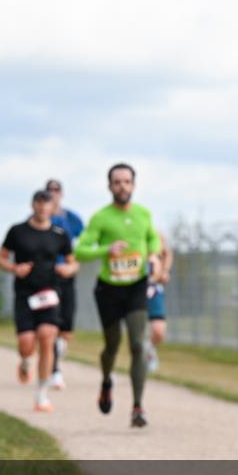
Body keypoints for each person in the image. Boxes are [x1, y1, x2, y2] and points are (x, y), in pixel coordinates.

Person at [74, 162, 161, 428]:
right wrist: (105, 250)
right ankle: (107, 380)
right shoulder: (101, 217)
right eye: (117, 182)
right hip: (109, 289)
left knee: (137, 344)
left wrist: (154, 256)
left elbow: (152, 240)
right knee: (112, 345)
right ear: (109, 186)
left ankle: (137, 407)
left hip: (136, 286)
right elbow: (80, 251)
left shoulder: (144, 214)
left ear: (133, 185)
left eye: (126, 181)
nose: (122, 186)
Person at [0, 190, 78, 412]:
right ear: (33, 205)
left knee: (47, 337)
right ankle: (24, 361)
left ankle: (41, 394)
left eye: (47, 204)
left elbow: (73, 263)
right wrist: (14, 268)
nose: (42, 208)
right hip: (24, 294)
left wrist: (67, 269)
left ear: (52, 208)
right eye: (39, 204)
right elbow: (1, 258)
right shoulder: (17, 231)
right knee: (26, 343)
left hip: (49, 292)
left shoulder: (60, 234)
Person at [44, 178, 85, 390]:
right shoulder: (40, 220)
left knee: (66, 327)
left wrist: (73, 265)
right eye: (49, 190)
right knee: (51, 324)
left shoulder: (72, 219)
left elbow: (85, 243)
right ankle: (55, 370)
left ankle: (58, 351)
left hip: (67, 275)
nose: (53, 193)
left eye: (56, 190)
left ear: (62, 193)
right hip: (47, 278)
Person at [144, 230, 173, 373]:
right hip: (133, 290)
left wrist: (165, 271)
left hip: (153, 290)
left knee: (159, 331)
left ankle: (150, 349)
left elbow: (167, 253)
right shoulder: (133, 240)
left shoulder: (155, 235)